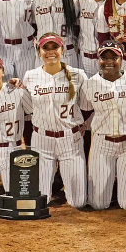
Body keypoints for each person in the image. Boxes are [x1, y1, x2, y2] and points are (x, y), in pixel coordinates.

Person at [79, 40, 126, 211]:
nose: (109, 61)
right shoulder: (89, 84)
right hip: (102, 144)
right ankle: (115, 188)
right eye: (104, 57)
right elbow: (84, 113)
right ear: (98, 59)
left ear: (122, 58)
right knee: (98, 204)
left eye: (114, 57)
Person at [22, 33, 86, 208]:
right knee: (39, 200)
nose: (50, 52)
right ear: (39, 51)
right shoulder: (30, 76)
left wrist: (85, 123)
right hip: (42, 141)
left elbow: (88, 106)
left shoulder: (78, 75)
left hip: (70, 141)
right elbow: (28, 109)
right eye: (45, 48)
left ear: (62, 49)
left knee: (78, 202)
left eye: (54, 47)